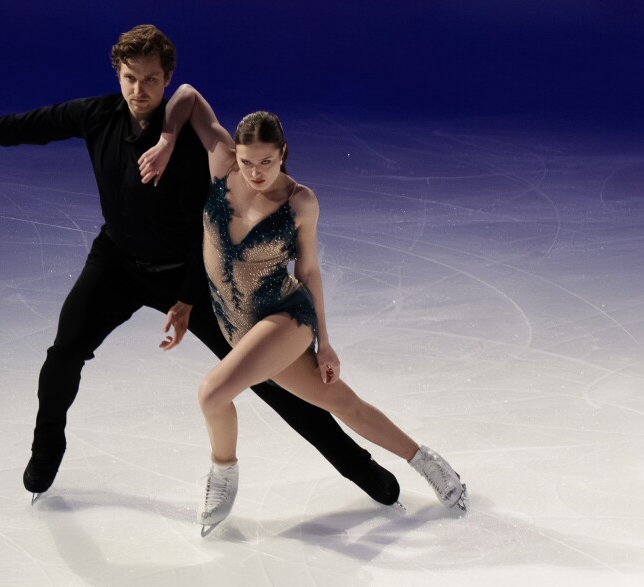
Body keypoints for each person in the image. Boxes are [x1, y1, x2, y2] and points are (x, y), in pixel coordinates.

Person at [0, 25, 402, 507]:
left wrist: (189, 297)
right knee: (62, 356)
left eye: (152, 79)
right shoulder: (96, 115)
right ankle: (46, 450)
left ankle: (361, 467)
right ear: (118, 75)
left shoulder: (190, 140)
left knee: (270, 380)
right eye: (130, 78)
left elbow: (215, 229)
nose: (139, 90)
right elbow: (23, 126)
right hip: (118, 263)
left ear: (166, 79)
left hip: (191, 275)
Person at [138, 84, 468, 529]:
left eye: (267, 163)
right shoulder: (219, 165)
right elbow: (188, 96)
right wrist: (167, 139)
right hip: (237, 324)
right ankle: (428, 461)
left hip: (285, 316)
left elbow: (309, 272)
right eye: (248, 161)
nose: (256, 172)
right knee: (342, 403)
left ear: (283, 153)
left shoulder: (300, 202)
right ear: (234, 152)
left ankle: (223, 474)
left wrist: (326, 343)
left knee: (212, 392)